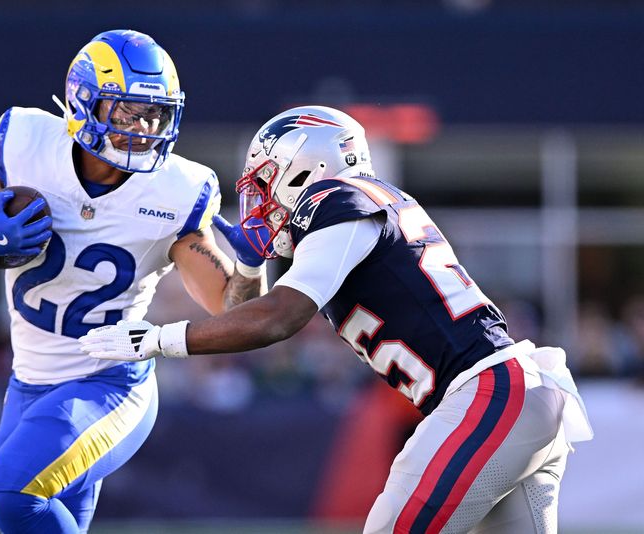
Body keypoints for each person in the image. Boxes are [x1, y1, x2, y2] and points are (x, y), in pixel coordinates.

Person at [79, 106, 594, 533]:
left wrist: (159, 339)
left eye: (266, 183)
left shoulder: (338, 199)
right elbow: (243, 315)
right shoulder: (364, 206)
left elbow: (278, 319)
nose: (261, 199)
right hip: (518, 394)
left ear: (305, 168)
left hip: (488, 395)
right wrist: (251, 259)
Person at [0, 30, 265, 534]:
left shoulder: (176, 191)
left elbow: (230, 312)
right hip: (29, 384)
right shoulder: (24, 145)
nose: (145, 128)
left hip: (109, 384)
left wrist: (251, 268)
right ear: (85, 101)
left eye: (156, 114)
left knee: (11, 490)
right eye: (128, 112)